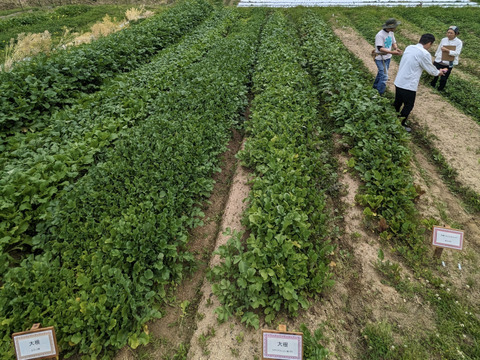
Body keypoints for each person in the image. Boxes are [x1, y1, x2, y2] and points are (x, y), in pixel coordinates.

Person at [393, 34, 448, 132]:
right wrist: (439, 72)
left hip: (399, 80)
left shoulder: (409, 47)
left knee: (398, 102)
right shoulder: (424, 53)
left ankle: (392, 119)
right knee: (408, 105)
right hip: (408, 84)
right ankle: (400, 124)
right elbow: (431, 70)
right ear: (429, 43)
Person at [373, 18, 403, 95]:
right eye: (395, 27)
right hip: (380, 58)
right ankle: (379, 94)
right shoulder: (380, 35)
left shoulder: (391, 33)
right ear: (391, 27)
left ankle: (375, 88)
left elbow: (393, 42)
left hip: (387, 58)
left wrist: (396, 48)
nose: (396, 28)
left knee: (381, 74)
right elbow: (380, 48)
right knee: (384, 76)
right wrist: (392, 52)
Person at [430, 26, 463, 91]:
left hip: (448, 63)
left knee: (444, 78)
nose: (449, 34)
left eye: (451, 33)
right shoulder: (443, 39)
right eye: (448, 32)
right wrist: (436, 57)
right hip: (439, 61)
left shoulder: (459, 42)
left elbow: (457, 53)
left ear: (456, 34)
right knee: (435, 74)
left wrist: (447, 50)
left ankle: (440, 90)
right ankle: (432, 85)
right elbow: (439, 49)